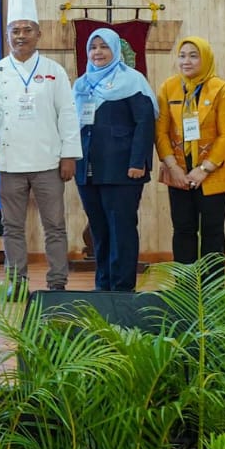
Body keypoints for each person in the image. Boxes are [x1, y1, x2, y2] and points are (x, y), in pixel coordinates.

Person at [0, 0, 81, 293]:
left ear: (38, 33)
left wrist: (68, 155)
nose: (20, 36)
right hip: (9, 163)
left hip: (49, 161)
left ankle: (57, 281)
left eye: (26, 30)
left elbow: (67, 112)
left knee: (55, 226)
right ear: (8, 35)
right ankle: (16, 283)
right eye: (15, 31)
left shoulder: (54, 70)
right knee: (11, 227)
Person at [71, 28, 157, 291]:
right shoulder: (82, 84)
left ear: (116, 50)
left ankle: (123, 288)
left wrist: (137, 161)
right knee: (99, 230)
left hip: (123, 169)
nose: (98, 52)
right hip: (88, 169)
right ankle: (103, 285)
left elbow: (144, 123)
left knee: (121, 229)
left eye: (104, 47)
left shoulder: (132, 81)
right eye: (93, 47)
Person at [154, 36, 225, 269]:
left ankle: (212, 292)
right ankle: (184, 291)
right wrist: (173, 168)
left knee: (212, 231)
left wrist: (204, 169)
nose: (187, 61)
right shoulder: (169, 87)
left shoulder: (221, 89)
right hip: (178, 173)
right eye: (182, 55)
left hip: (213, 173)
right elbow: (160, 132)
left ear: (206, 59)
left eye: (194, 55)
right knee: (183, 229)